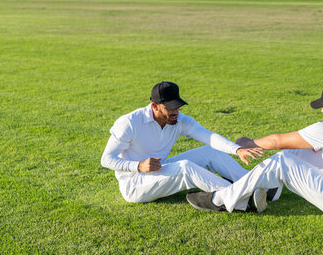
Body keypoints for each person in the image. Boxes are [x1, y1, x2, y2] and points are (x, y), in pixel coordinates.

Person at [186, 82, 323, 222]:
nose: (321, 111)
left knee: (283, 159)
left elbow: (277, 142)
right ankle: (271, 189)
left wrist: (250, 142)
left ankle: (222, 200)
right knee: (298, 150)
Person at [101, 81, 263, 204]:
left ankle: (258, 185)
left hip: (160, 170)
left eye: (178, 106)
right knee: (185, 167)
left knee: (210, 152)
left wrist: (237, 150)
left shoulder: (179, 120)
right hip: (134, 184)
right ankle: (240, 197)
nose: (175, 112)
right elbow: (106, 159)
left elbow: (209, 137)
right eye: (170, 108)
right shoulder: (130, 122)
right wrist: (138, 166)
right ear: (155, 106)